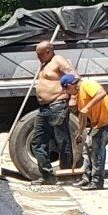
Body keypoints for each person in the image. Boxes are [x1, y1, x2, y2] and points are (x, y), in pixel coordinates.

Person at [62, 71, 108, 189]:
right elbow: (83, 117)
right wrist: (79, 133)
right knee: (87, 149)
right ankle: (86, 178)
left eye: (66, 91)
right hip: (97, 125)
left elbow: (102, 93)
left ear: (69, 86)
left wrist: (87, 107)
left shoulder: (87, 84)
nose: (68, 93)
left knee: (96, 150)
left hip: (106, 122)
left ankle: (97, 182)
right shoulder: (79, 95)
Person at [31, 39, 76, 182]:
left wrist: (73, 96)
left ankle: (66, 175)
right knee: (37, 141)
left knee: (62, 141)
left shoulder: (58, 60)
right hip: (44, 108)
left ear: (49, 51)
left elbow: (74, 77)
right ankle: (47, 176)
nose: (38, 57)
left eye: (40, 54)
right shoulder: (45, 63)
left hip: (57, 105)